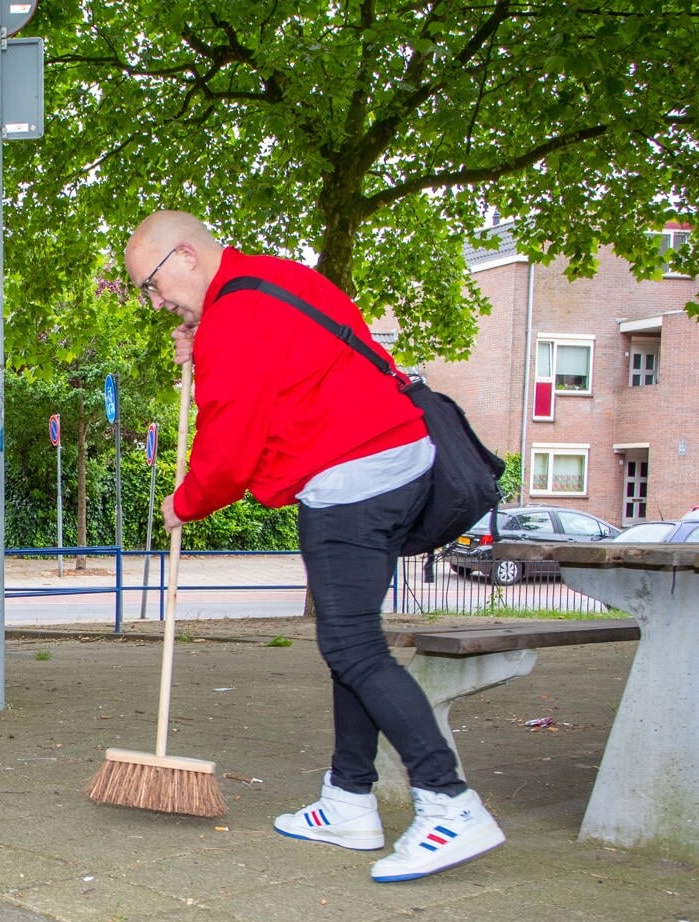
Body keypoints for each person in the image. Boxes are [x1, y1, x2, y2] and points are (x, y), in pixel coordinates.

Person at [125, 209, 505, 883]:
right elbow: (300, 365)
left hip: (350, 481)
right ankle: (349, 798)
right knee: (349, 641)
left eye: (153, 285)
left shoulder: (234, 321)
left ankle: (449, 803)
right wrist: (205, 337)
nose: (156, 303)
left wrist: (183, 503)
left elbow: (229, 451)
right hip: (397, 463)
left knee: (353, 648)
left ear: (185, 255)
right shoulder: (276, 280)